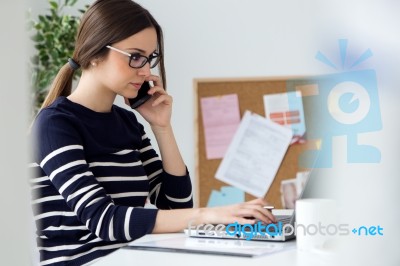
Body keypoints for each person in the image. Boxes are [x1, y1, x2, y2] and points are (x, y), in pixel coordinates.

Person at [29, 0, 276, 265]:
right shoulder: (54, 124)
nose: (146, 71)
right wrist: (206, 215)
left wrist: (161, 127)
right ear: (94, 53)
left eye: (150, 58)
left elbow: (175, 206)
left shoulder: (127, 122)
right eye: (135, 57)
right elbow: (104, 220)